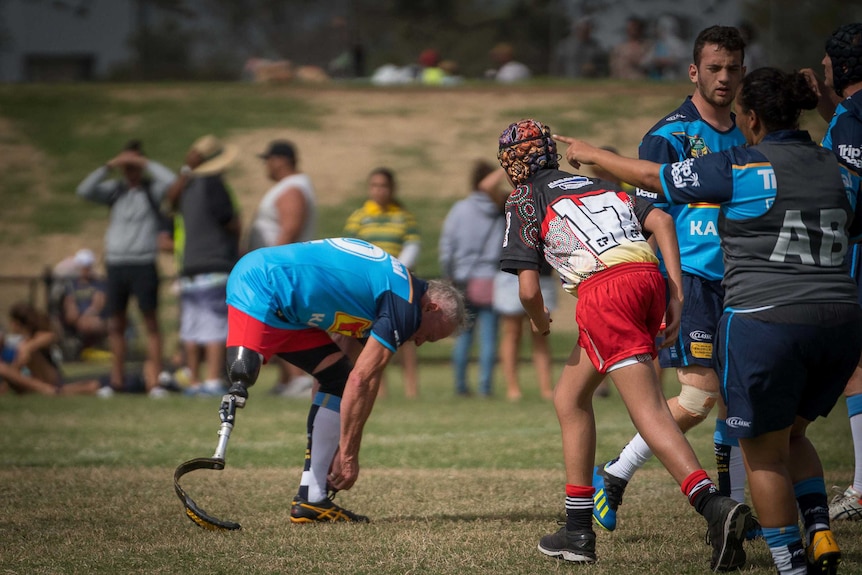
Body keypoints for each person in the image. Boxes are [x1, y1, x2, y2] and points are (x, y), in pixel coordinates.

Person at [558, 66, 862, 575]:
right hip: (840, 323)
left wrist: (596, 156)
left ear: (752, 118)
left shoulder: (744, 165)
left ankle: (790, 563)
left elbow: (657, 178)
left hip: (766, 320)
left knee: (762, 450)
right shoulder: (840, 170)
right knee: (792, 433)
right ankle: (819, 530)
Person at [497, 119, 751, 570]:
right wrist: (674, 291)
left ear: (513, 162)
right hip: (646, 279)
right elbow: (661, 220)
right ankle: (577, 529)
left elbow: (530, 291)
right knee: (569, 398)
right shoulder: (592, 182)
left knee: (649, 410)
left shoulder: (523, 197)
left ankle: (712, 505)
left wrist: (538, 324)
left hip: (606, 291)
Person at [587, 26, 749, 534]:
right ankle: (614, 473)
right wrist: (663, 289)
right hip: (693, 281)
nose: (724, 78)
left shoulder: (747, 131)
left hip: (743, 280)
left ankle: (738, 513)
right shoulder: (669, 135)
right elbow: (647, 215)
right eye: (715, 68)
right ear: (693, 72)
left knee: (738, 402)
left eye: (733, 69)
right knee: (699, 398)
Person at [220, 238, 466, 522]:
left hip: (276, 292)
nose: (421, 342)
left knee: (335, 377)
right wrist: (348, 456)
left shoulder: (388, 292)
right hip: (265, 282)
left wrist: (335, 440)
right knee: (241, 377)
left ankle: (312, 499)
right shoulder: (404, 303)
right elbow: (362, 380)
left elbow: (349, 380)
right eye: (431, 335)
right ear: (431, 308)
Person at [801, 23, 862, 524]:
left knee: (856, 368)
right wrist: (826, 102)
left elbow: (847, 190)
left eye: (827, 66)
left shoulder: (850, 120)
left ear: (843, 66)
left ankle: (861, 491)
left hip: (857, 250)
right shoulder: (845, 114)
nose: (823, 73)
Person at [76, 139, 175, 397]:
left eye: (134, 165)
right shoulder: (114, 190)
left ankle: (155, 382)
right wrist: (109, 165)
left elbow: (172, 181)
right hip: (116, 263)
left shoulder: (152, 190)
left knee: (151, 322)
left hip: (144, 263)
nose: (130, 170)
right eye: (127, 166)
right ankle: (116, 381)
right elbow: (84, 190)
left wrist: (145, 162)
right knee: (115, 324)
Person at [165, 134, 241, 397]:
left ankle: (194, 377)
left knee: (192, 325)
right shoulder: (214, 184)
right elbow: (228, 219)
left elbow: (168, 203)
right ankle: (211, 379)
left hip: (190, 266)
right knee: (216, 323)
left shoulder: (186, 187)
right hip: (214, 262)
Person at [247, 139, 318, 397]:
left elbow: (290, 227)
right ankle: (287, 379)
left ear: (281, 160)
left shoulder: (292, 188)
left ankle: (298, 378)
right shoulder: (289, 186)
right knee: (279, 321)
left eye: (268, 159)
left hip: (284, 269)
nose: (266, 164)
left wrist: (268, 263)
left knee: (286, 322)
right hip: (281, 268)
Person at [343, 167, 421, 398]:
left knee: (406, 337)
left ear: (392, 188)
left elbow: (413, 245)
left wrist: (396, 269)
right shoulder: (359, 216)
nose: (379, 190)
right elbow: (350, 248)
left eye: (383, 186)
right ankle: (380, 388)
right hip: (370, 286)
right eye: (374, 186)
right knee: (374, 336)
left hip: (398, 284)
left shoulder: (403, 216)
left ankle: (411, 388)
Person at [439, 161, 506, 397]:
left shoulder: (460, 209)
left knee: (463, 336)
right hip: (491, 279)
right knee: (488, 338)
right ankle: (485, 387)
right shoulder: (500, 209)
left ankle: (460, 385)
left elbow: (447, 245)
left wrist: (448, 272)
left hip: (464, 279)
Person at [0, 302, 101, 396]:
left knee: (7, 366)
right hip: (31, 381)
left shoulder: (35, 337)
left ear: (16, 323)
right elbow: (16, 368)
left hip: (47, 379)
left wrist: (27, 347)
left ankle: (48, 389)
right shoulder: (15, 342)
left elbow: (50, 336)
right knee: (3, 368)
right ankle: (56, 390)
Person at [493, 267, 557, 401]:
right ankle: (512, 388)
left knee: (542, 333)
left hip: (542, 276)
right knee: (512, 332)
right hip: (511, 276)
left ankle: (546, 389)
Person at [59, 248, 108, 351]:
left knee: (91, 324)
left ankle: (90, 348)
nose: (85, 269)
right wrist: (74, 314)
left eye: (87, 266)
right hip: (78, 318)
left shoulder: (98, 283)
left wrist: (88, 315)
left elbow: (99, 302)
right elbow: (69, 302)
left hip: (95, 317)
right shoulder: (72, 284)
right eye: (82, 266)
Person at [640, 15, 688, 81]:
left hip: (673, 77)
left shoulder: (677, 43)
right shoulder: (657, 43)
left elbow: (682, 59)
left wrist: (667, 61)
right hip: (656, 77)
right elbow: (645, 61)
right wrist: (654, 61)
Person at [610, 16, 649, 80]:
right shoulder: (619, 48)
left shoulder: (647, 46)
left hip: (640, 82)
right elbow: (613, 68)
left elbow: (650, 64)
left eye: (635, 27)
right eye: (631, 27)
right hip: (621, 82)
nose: (633, 30)